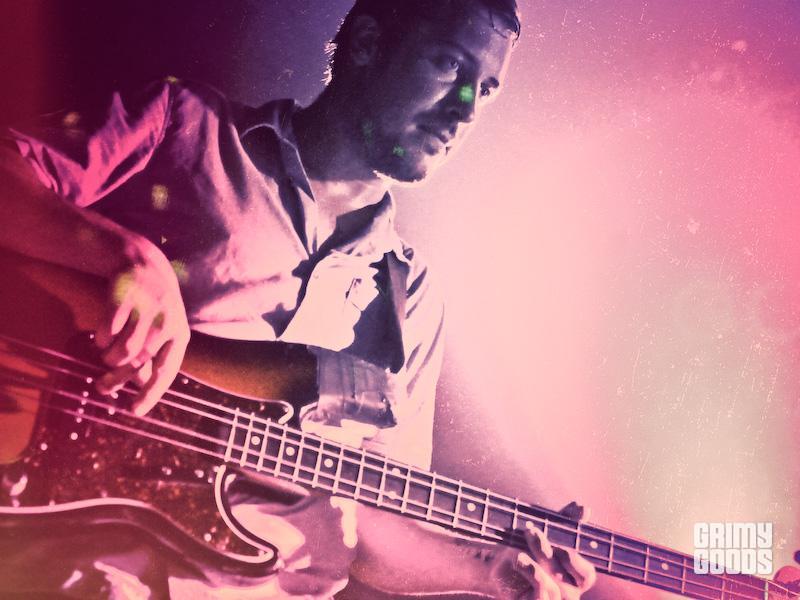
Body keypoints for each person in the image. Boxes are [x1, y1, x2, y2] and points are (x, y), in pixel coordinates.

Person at [0, 0, 599, 598]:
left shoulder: (410, 298)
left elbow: (371, 523)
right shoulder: (190, 128)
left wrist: (486, 571)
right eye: (449, 65)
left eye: (486, 90)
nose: (465, 110)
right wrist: (121, 256)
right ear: (367, 43)